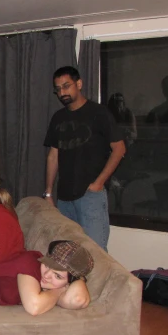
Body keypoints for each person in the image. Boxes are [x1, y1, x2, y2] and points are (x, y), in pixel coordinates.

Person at [44, 66, 126, 251]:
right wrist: (49, 192)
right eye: (58, 89)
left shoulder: (99, 113)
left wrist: (98, 183)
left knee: (95, 254)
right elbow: (53, 156)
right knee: (68, 254)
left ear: (79, 84)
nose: (62, 92)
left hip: (91, 196)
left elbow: (119, 149)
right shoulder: (58, 118)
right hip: (64, 197)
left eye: (66, 86)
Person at [0, 240, 93, 315]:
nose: (46, 275)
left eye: (57, 276)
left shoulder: (49, 285)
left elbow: (78, 299)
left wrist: (78, 280)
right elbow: (34, 307)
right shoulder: (30, 262)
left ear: (69, 282)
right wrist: (60, 290)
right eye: (47, 265)